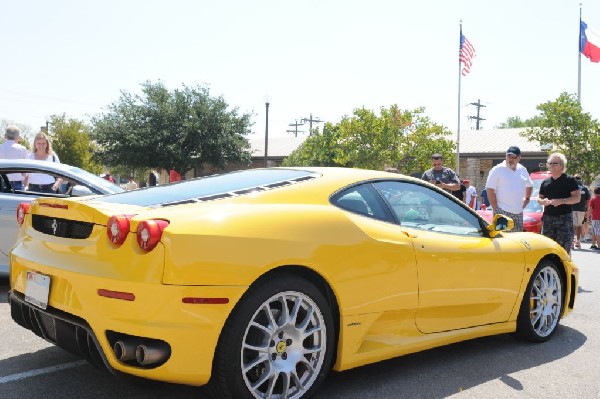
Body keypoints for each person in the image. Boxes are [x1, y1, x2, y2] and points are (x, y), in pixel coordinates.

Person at [537, 153, 580, 254]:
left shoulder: (569, 180)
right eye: (550, 163)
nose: (551, 165)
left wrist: (562, 201)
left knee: (563, 250)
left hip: (564, 219)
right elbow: (539, 198)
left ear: (561, 165)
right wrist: (543, 202)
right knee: (547, 249)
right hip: (548, 219)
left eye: (554, 163)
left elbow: (577, 198)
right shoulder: (545, 182)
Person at [485, 146, 533, 232]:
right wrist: (496, 209)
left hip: (518, 212)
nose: (510, 159)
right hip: (502, 212)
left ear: (519, 158)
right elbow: (490, 190)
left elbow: (529, 185)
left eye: (513, 157)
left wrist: (527, 199)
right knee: (503, 240)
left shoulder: (522, 169)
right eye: (508, 156)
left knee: (517, 241)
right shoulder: (497, 170)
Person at [0, 125, 28, 190]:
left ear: (5, 136)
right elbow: (25, 170)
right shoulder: (22, 149)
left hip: (1, 182)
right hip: (17, 183)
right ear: (18, 137)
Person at [572, 175, 591, 249]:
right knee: (579, 225)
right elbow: (588, 200)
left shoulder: (571, 187)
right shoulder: (585, 188)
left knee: (572, 226)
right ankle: (578, 241)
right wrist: (587, 210)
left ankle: (572, 242)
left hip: (572, 209)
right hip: (581, 209)